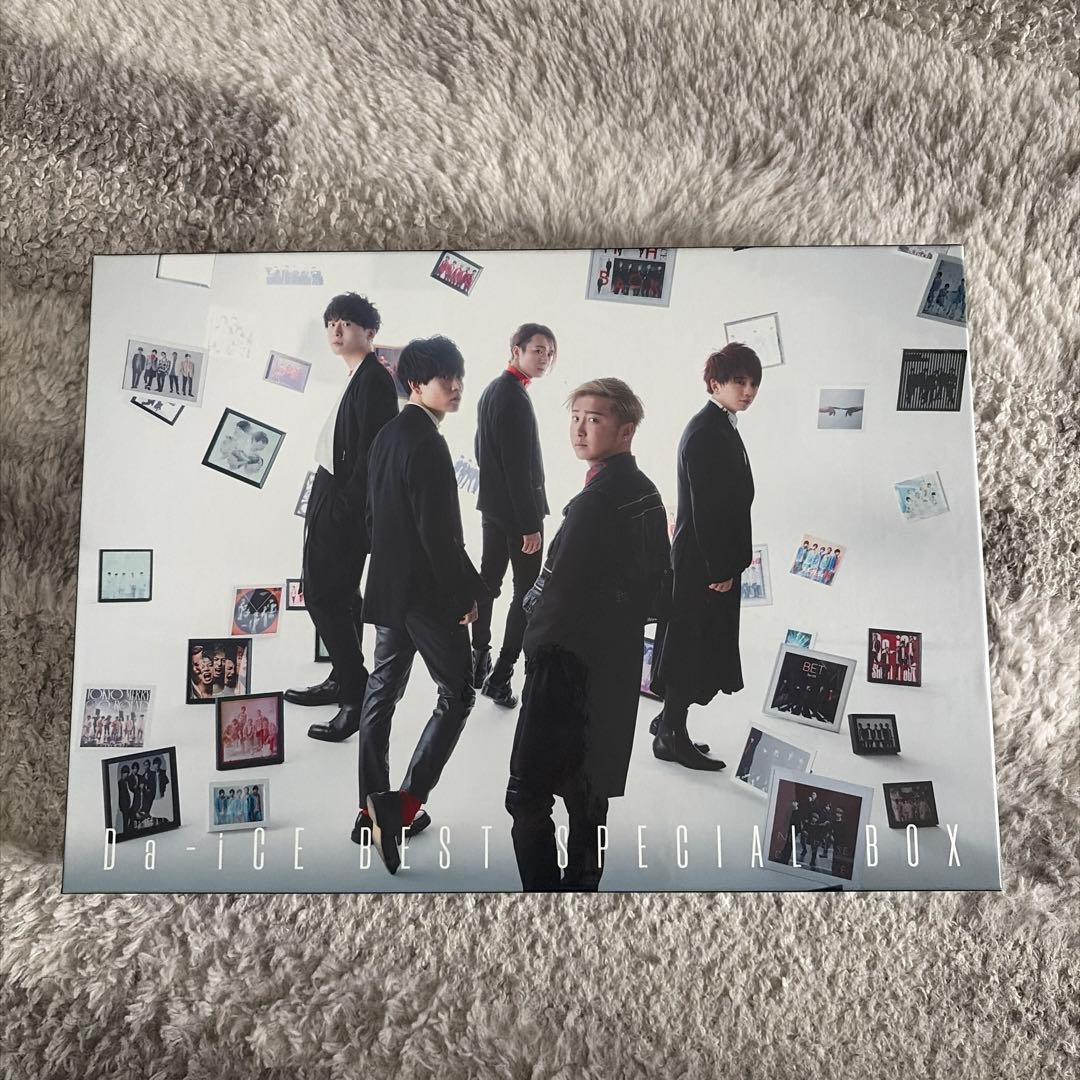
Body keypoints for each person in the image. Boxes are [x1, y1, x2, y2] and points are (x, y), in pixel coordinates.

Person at [505, 378, 670, 891]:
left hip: (565, 666)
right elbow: (658, 595)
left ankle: (545, 902)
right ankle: (583, 894)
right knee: (588, 795)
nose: (579, 429)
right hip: (614, 664)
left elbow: (557, 594)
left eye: (594, 419)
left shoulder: (598, 502)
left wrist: (533, 648)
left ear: (626, 430)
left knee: (527, 794)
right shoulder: (646, 494)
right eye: (575, 417)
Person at [357, 336, 486, 874]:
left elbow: (373, 517)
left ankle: (368, 810)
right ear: (416, 383)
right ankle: (401, 806)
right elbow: (440, 534)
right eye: (444, 378)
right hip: (427, 596)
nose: (456, 386)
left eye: (459, 376)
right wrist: (467, 594)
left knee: (380, 696)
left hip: (390, 590)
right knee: (458, 694)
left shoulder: (386, 435)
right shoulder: (427, 443)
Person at [286, 293, 400, 745]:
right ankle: (342, 678)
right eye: (331, 322)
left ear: (369, 332)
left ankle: (354, 695)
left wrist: (346, 507)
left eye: (347, 323)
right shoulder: (360, 375)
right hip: (332, 492)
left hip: (343, 502)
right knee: (341, 597)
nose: (336, 330)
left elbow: (372, 453)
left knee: (321, 594)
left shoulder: (374, 379)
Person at [650, 343, 761, 771]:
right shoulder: (706, 431)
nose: (748, 391)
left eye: (753, 383)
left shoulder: (719, 425)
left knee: (694, 642)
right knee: (691, 646)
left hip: (706, 558)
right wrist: (719, 568)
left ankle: (667, 722)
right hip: (703, 562)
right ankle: (670, 735)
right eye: (739, 382)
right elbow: (707, 508)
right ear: (714, 384)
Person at [471, 322, 556, 707]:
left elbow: (482, 452)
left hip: (493, 508)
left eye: (549, 353)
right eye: (538, 350)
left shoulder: (493, 390)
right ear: (516, 350)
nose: (545, 359)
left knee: (489, 583)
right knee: (526, 594)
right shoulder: (514, 397)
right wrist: (529, 525)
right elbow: (518, 469)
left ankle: (478, 661)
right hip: (518, 516)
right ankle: (501, 676)